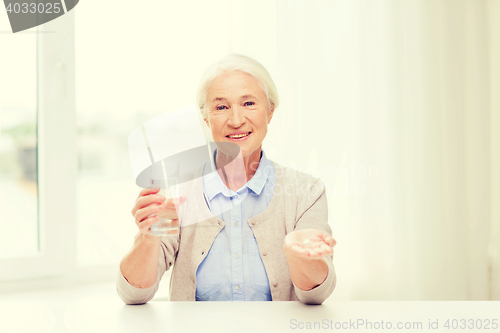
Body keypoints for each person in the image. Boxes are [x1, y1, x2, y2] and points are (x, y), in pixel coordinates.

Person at [117, 54, 337, 304]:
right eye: (221, 107)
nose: (235, 120)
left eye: (249, 104)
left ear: (270, 111)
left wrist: (299, 257)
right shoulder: (177, 191)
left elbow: (318, 293)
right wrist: (148, 236)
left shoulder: (306, 191)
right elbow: (134, 294)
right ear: (206, 118)